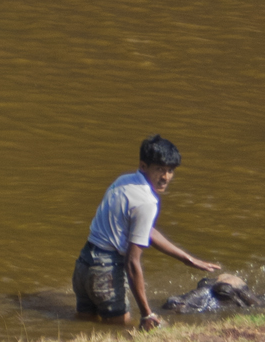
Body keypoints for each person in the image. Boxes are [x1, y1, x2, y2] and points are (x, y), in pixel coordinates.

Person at [73, 135, 221, 331]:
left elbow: (145, 230)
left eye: (170, 170)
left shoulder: (124, 182)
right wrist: (147, 313)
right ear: (144, 166)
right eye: (159, 169)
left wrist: (188, 259)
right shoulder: (146, 202)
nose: (166, 177)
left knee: (83, 326)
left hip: (83, 266)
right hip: (106, 271)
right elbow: (132, 263)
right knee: (120, 330)